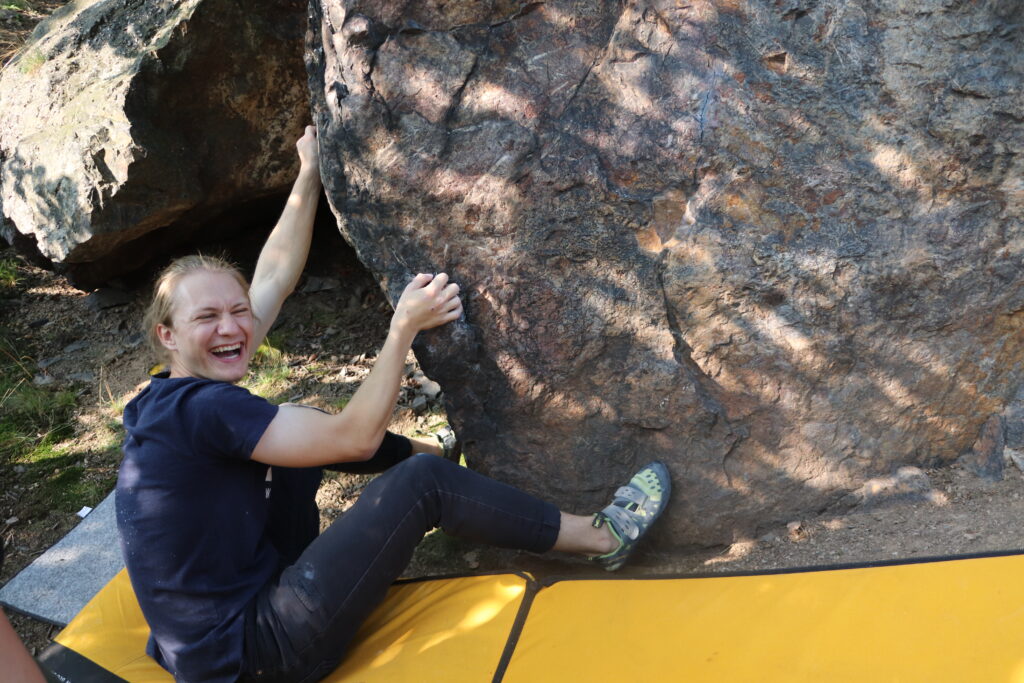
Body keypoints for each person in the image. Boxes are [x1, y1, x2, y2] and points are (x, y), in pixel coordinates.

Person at [115, 126, 671, 683]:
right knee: (421, 484)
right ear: (167, 334)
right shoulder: (206, 408)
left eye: (235, 311)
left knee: (297, 446)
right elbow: (353, 439)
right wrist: (403, 327)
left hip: (213, 638)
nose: (232, 327)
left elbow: (273, 278)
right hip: (255, 656)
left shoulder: (169, 392)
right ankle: (603, 538)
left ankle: (435, 448)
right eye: (207, 318)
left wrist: (308, 174)